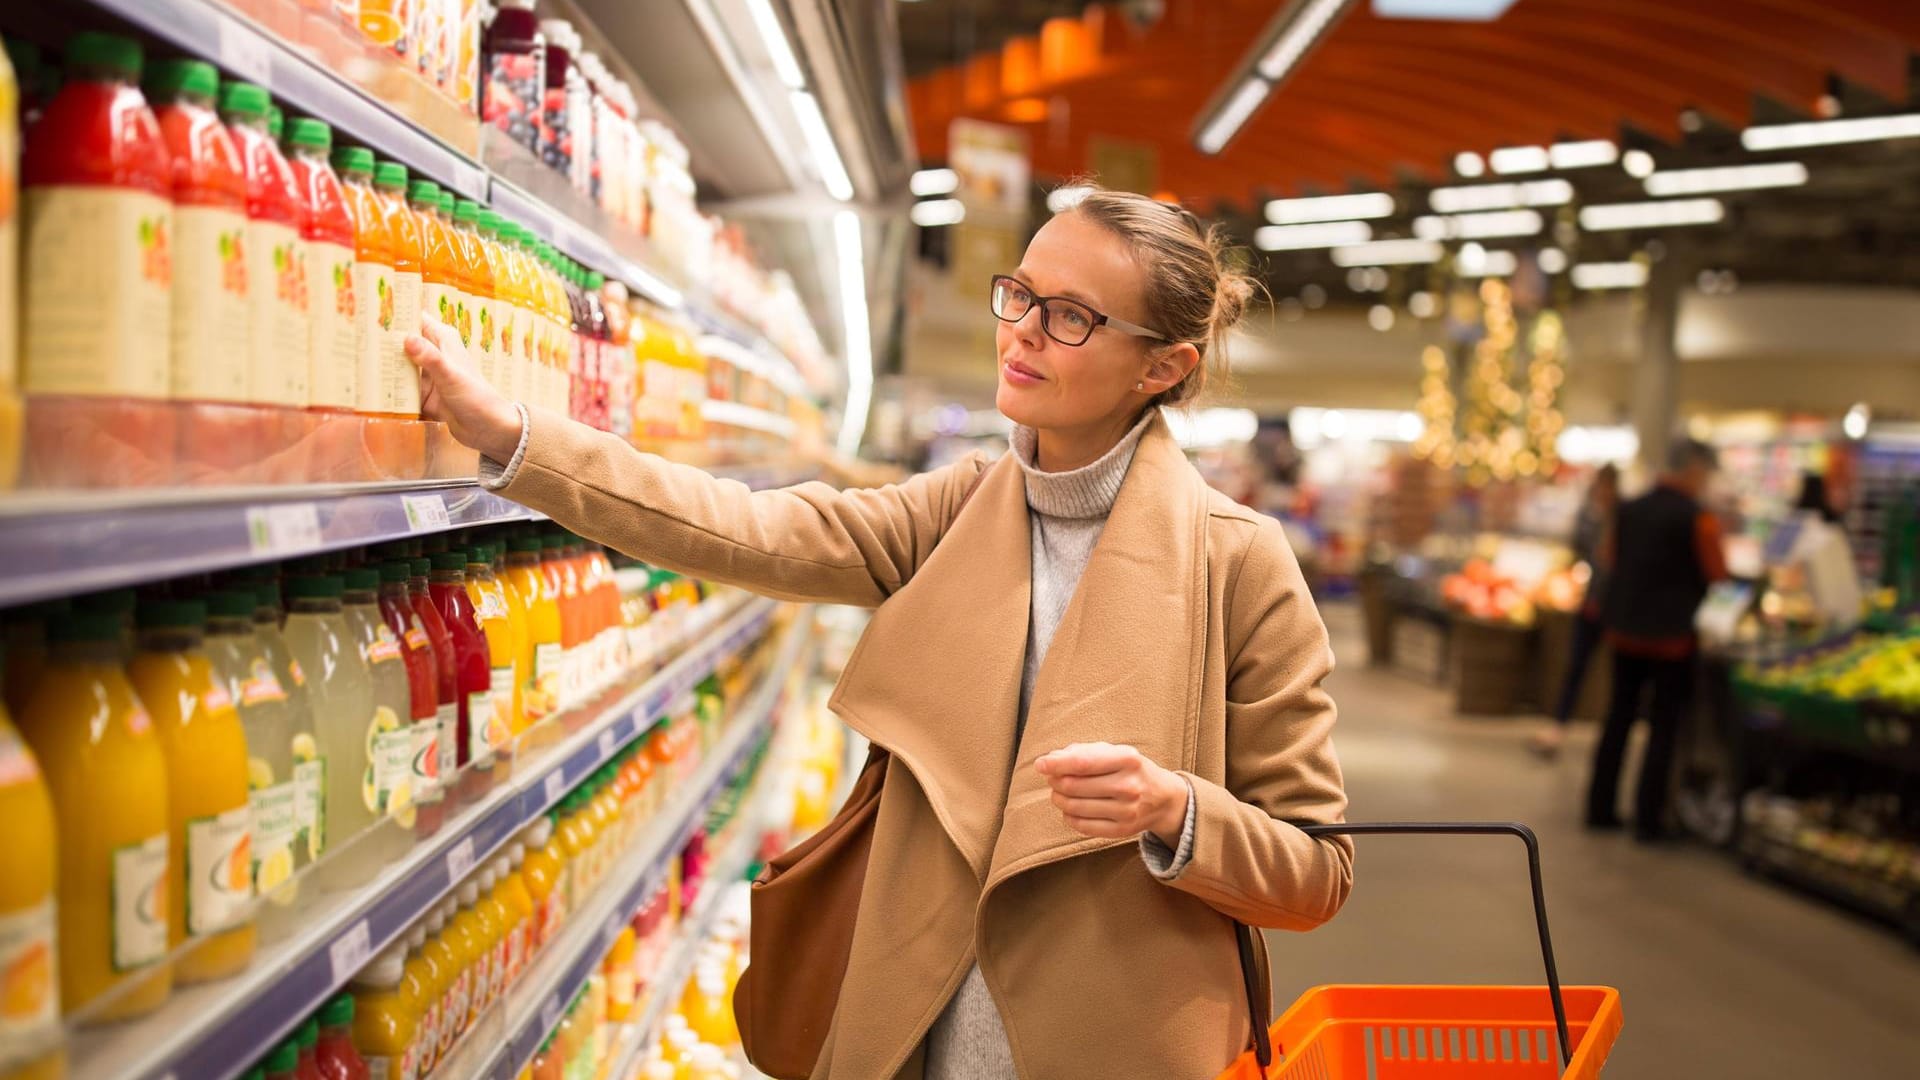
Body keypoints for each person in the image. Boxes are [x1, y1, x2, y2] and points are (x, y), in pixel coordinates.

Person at [406, 187, 1354, 1079]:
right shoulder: (962, 509)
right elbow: (745, 528)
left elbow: (1316, 871)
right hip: (913, 1023)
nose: (1020, 332)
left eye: (1071, 317)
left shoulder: (1239, 564)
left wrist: (1173, 811)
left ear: (1162, 366)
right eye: (1018, 294)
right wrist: (518, 437)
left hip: (1109, 1037)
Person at [1586, 439, 1728, 842]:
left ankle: (1599, 807)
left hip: (1624, 631)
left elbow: (1610, 559)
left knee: (1618, 718)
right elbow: (1717, 573)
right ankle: (1649, 819)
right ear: (1694, 470)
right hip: (1672, 639)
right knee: (1663, 728)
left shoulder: (1629, 510)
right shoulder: (1698, 519)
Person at [1529, 464, 1619, 758]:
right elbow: (1580, 549)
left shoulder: (1620, 518)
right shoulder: (1590, 517)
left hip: (1614, 609)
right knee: (1576, 667)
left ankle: (1606, 734)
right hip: (1592, 604)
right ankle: (1558, 726)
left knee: (1613, 677)